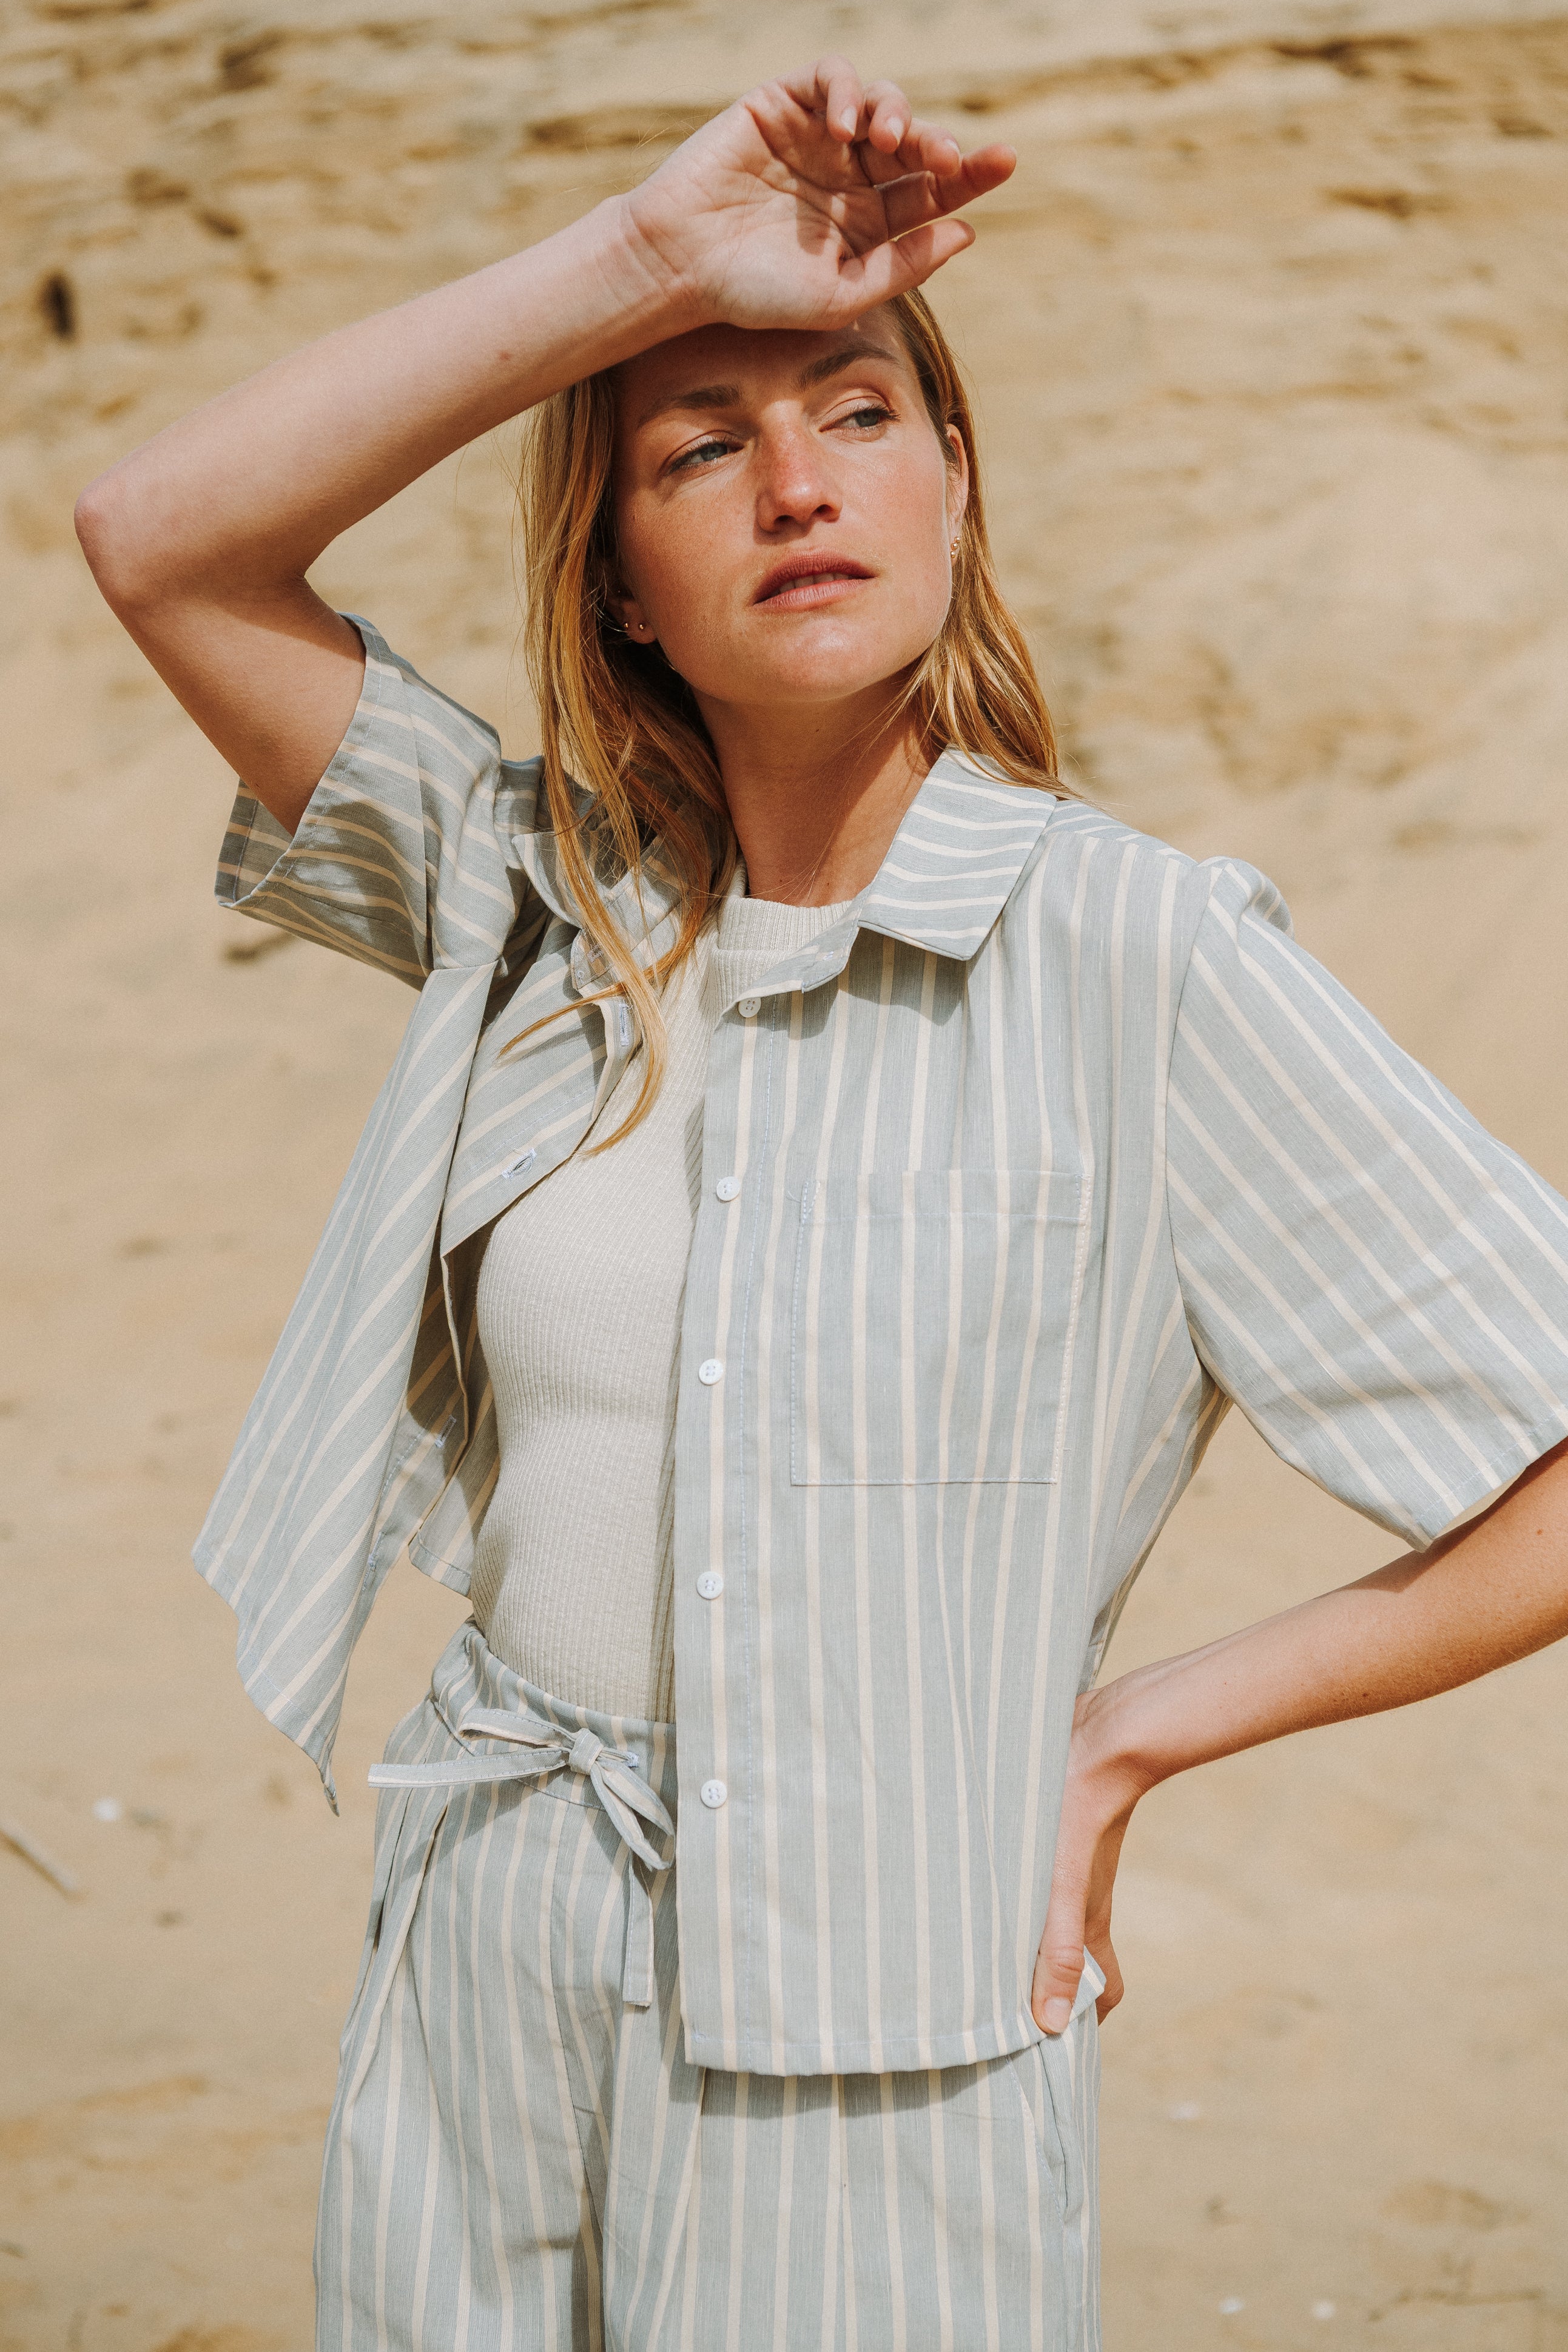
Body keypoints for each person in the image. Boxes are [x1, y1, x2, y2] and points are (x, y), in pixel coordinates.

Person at [75, 53, 1568, 2352]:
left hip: (886, 1997)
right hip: (485, 1933)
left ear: (954, 487)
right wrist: (633, 264)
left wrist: (1127, 1734)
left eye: (860, 414)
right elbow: (161, 537)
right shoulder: (536, 903)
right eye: (697, 447)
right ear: (618, 580)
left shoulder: (1137, 953)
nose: (794, 483)